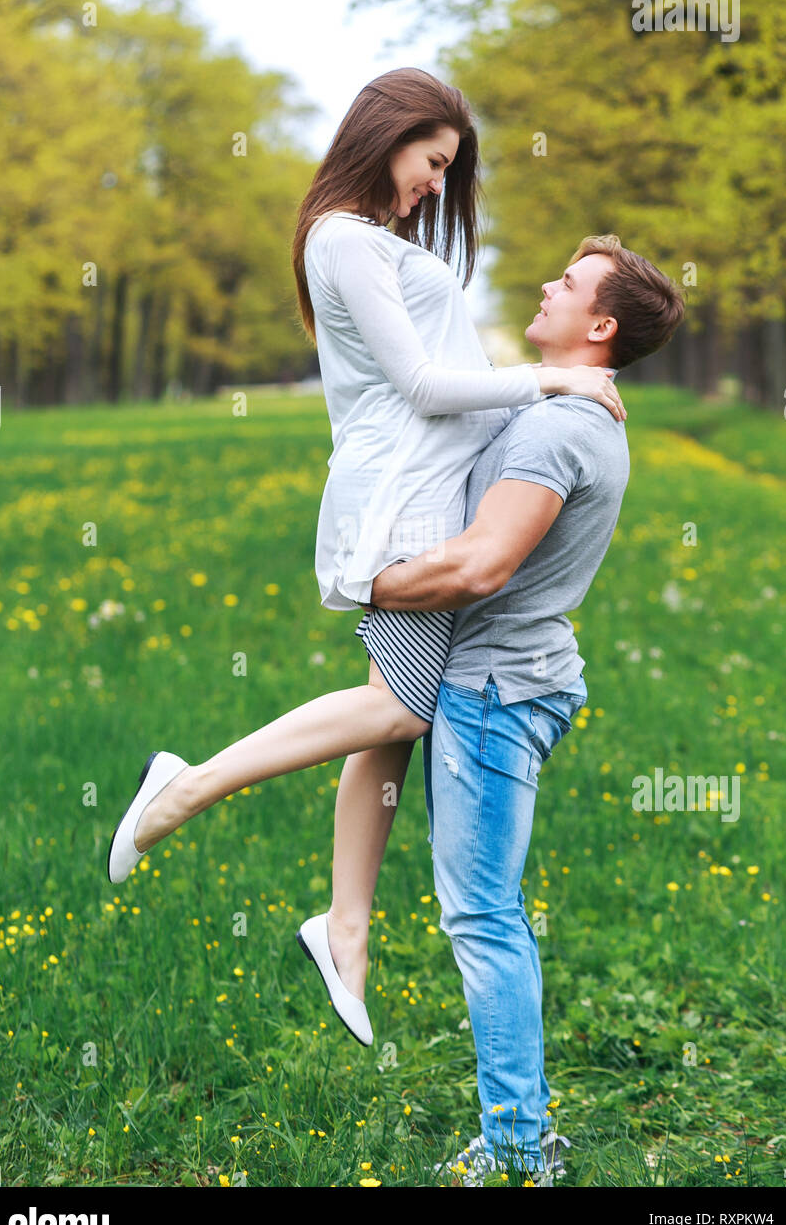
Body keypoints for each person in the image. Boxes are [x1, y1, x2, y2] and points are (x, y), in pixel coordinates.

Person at [105, 68, 626, 1049]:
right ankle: (186, 784)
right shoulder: (340, 240)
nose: (434, 186)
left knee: (394, 712)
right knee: (403, 705)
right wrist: (553, 379)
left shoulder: (373, 244)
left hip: (429, 501)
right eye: (431, 163)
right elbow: (426, 384)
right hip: (399, 511)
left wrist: (542, 397)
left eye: (444, 172)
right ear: (388, 135)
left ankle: (343, 929)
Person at [367, 232, 686, 1185]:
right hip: (502, 680)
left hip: (497, 691)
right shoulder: (558, 404)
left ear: (600, 324)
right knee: (483, 912)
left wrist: (368, 585)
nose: (547, 283)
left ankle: (517, 1147)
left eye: (570, 281)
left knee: (483, 918)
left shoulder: (559, 431)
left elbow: (481, 564)